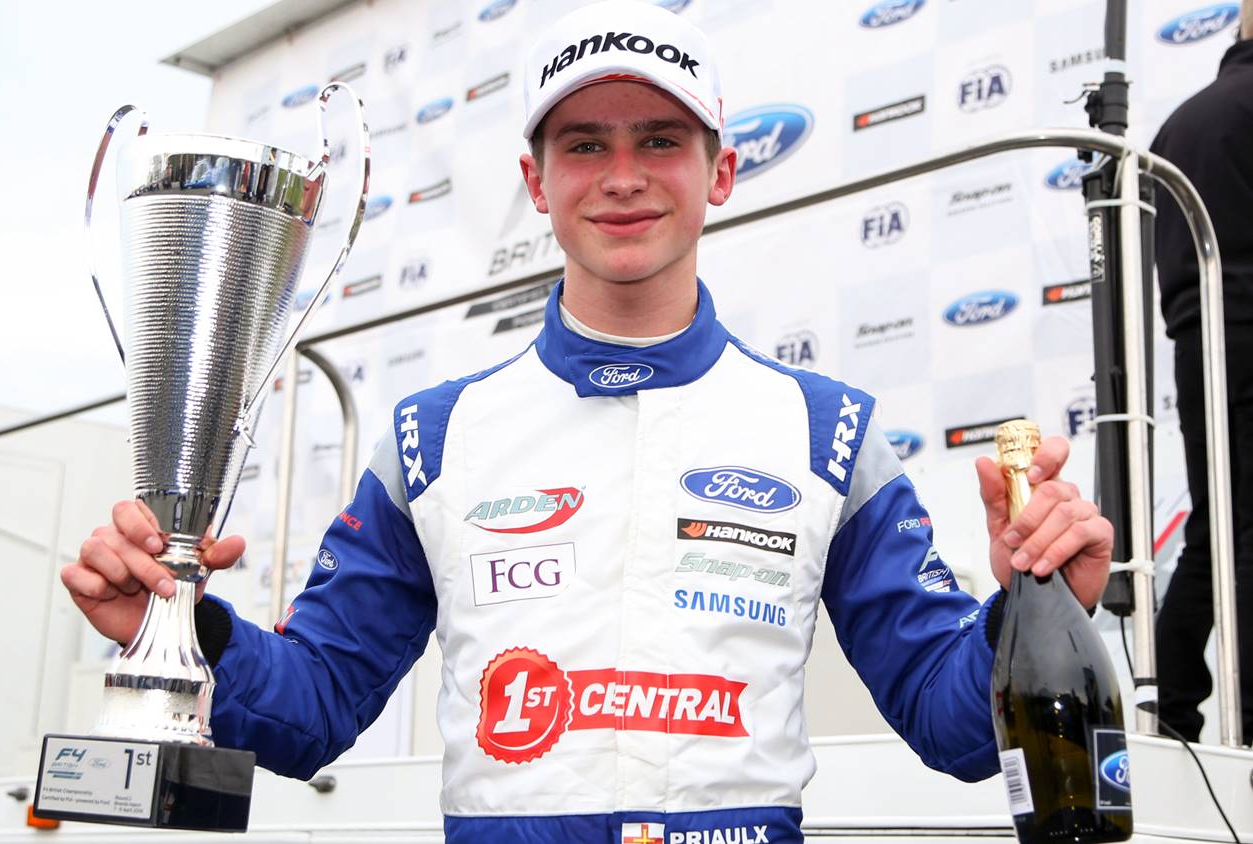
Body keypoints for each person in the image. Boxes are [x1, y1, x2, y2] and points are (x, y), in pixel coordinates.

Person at [64, 2, 1114, 840]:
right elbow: (313, 708)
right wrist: (184, 627)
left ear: (721, 170)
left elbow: (949, 723)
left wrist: (1031, 610)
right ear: (536, 181)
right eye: (583, 144)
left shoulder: (828, 430)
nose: (621, 177)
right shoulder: (434, 436)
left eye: (660, 139)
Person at [1151, 0, 1253, 744]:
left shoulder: (1180, 125)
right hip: (1239, 330)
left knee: (1217, 528)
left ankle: (1172, 703)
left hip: (1200, 346)